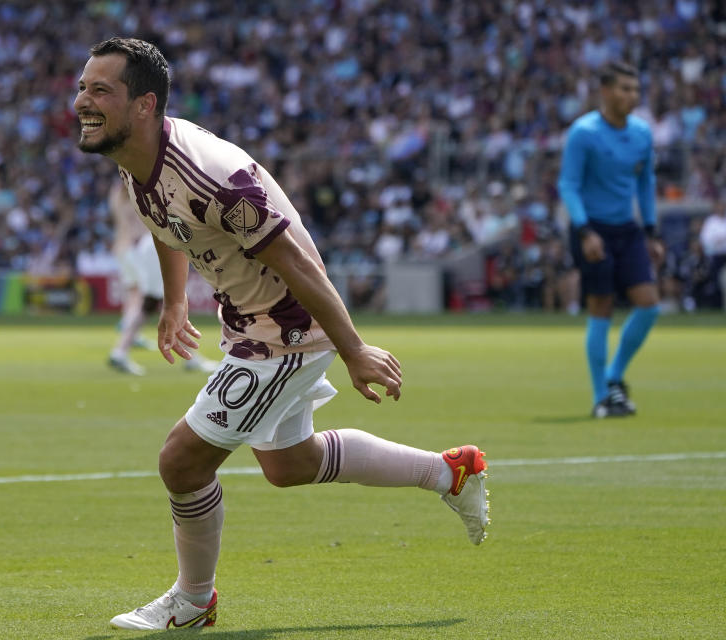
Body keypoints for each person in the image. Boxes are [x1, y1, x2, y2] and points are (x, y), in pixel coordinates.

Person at [73, 37, 491, 630]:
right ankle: (450, 471)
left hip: (286, 331)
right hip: (250, 322)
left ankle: (194, 601)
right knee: (289, 464)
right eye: (82, 87)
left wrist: (354, 350)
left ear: (144, 104)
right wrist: (173, 304)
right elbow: (166, 225)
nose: (82, 100)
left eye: (99, 90)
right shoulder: (135, 156)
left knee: (182, 464)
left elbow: (299, 263)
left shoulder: (212, 176)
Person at [558, 61, 664, 419]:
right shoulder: (583, 132)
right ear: (605, 91)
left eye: (635, 89)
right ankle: (602, 396)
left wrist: (650, 231)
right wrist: (585, 231)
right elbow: (568, 185)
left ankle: (614, 377)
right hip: (592, 230)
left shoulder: (642, 133)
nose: (632, 96)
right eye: (624, 89)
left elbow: (646, 183)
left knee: (649, 305)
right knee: (601, 307)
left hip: (628, 229)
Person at [107, 182, 218, 375]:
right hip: (153, 246)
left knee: (155, 302)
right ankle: (122, 350)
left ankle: (121, 350)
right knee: (168, 301)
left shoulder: (125, 194)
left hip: (145, 246)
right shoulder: (156, 189)